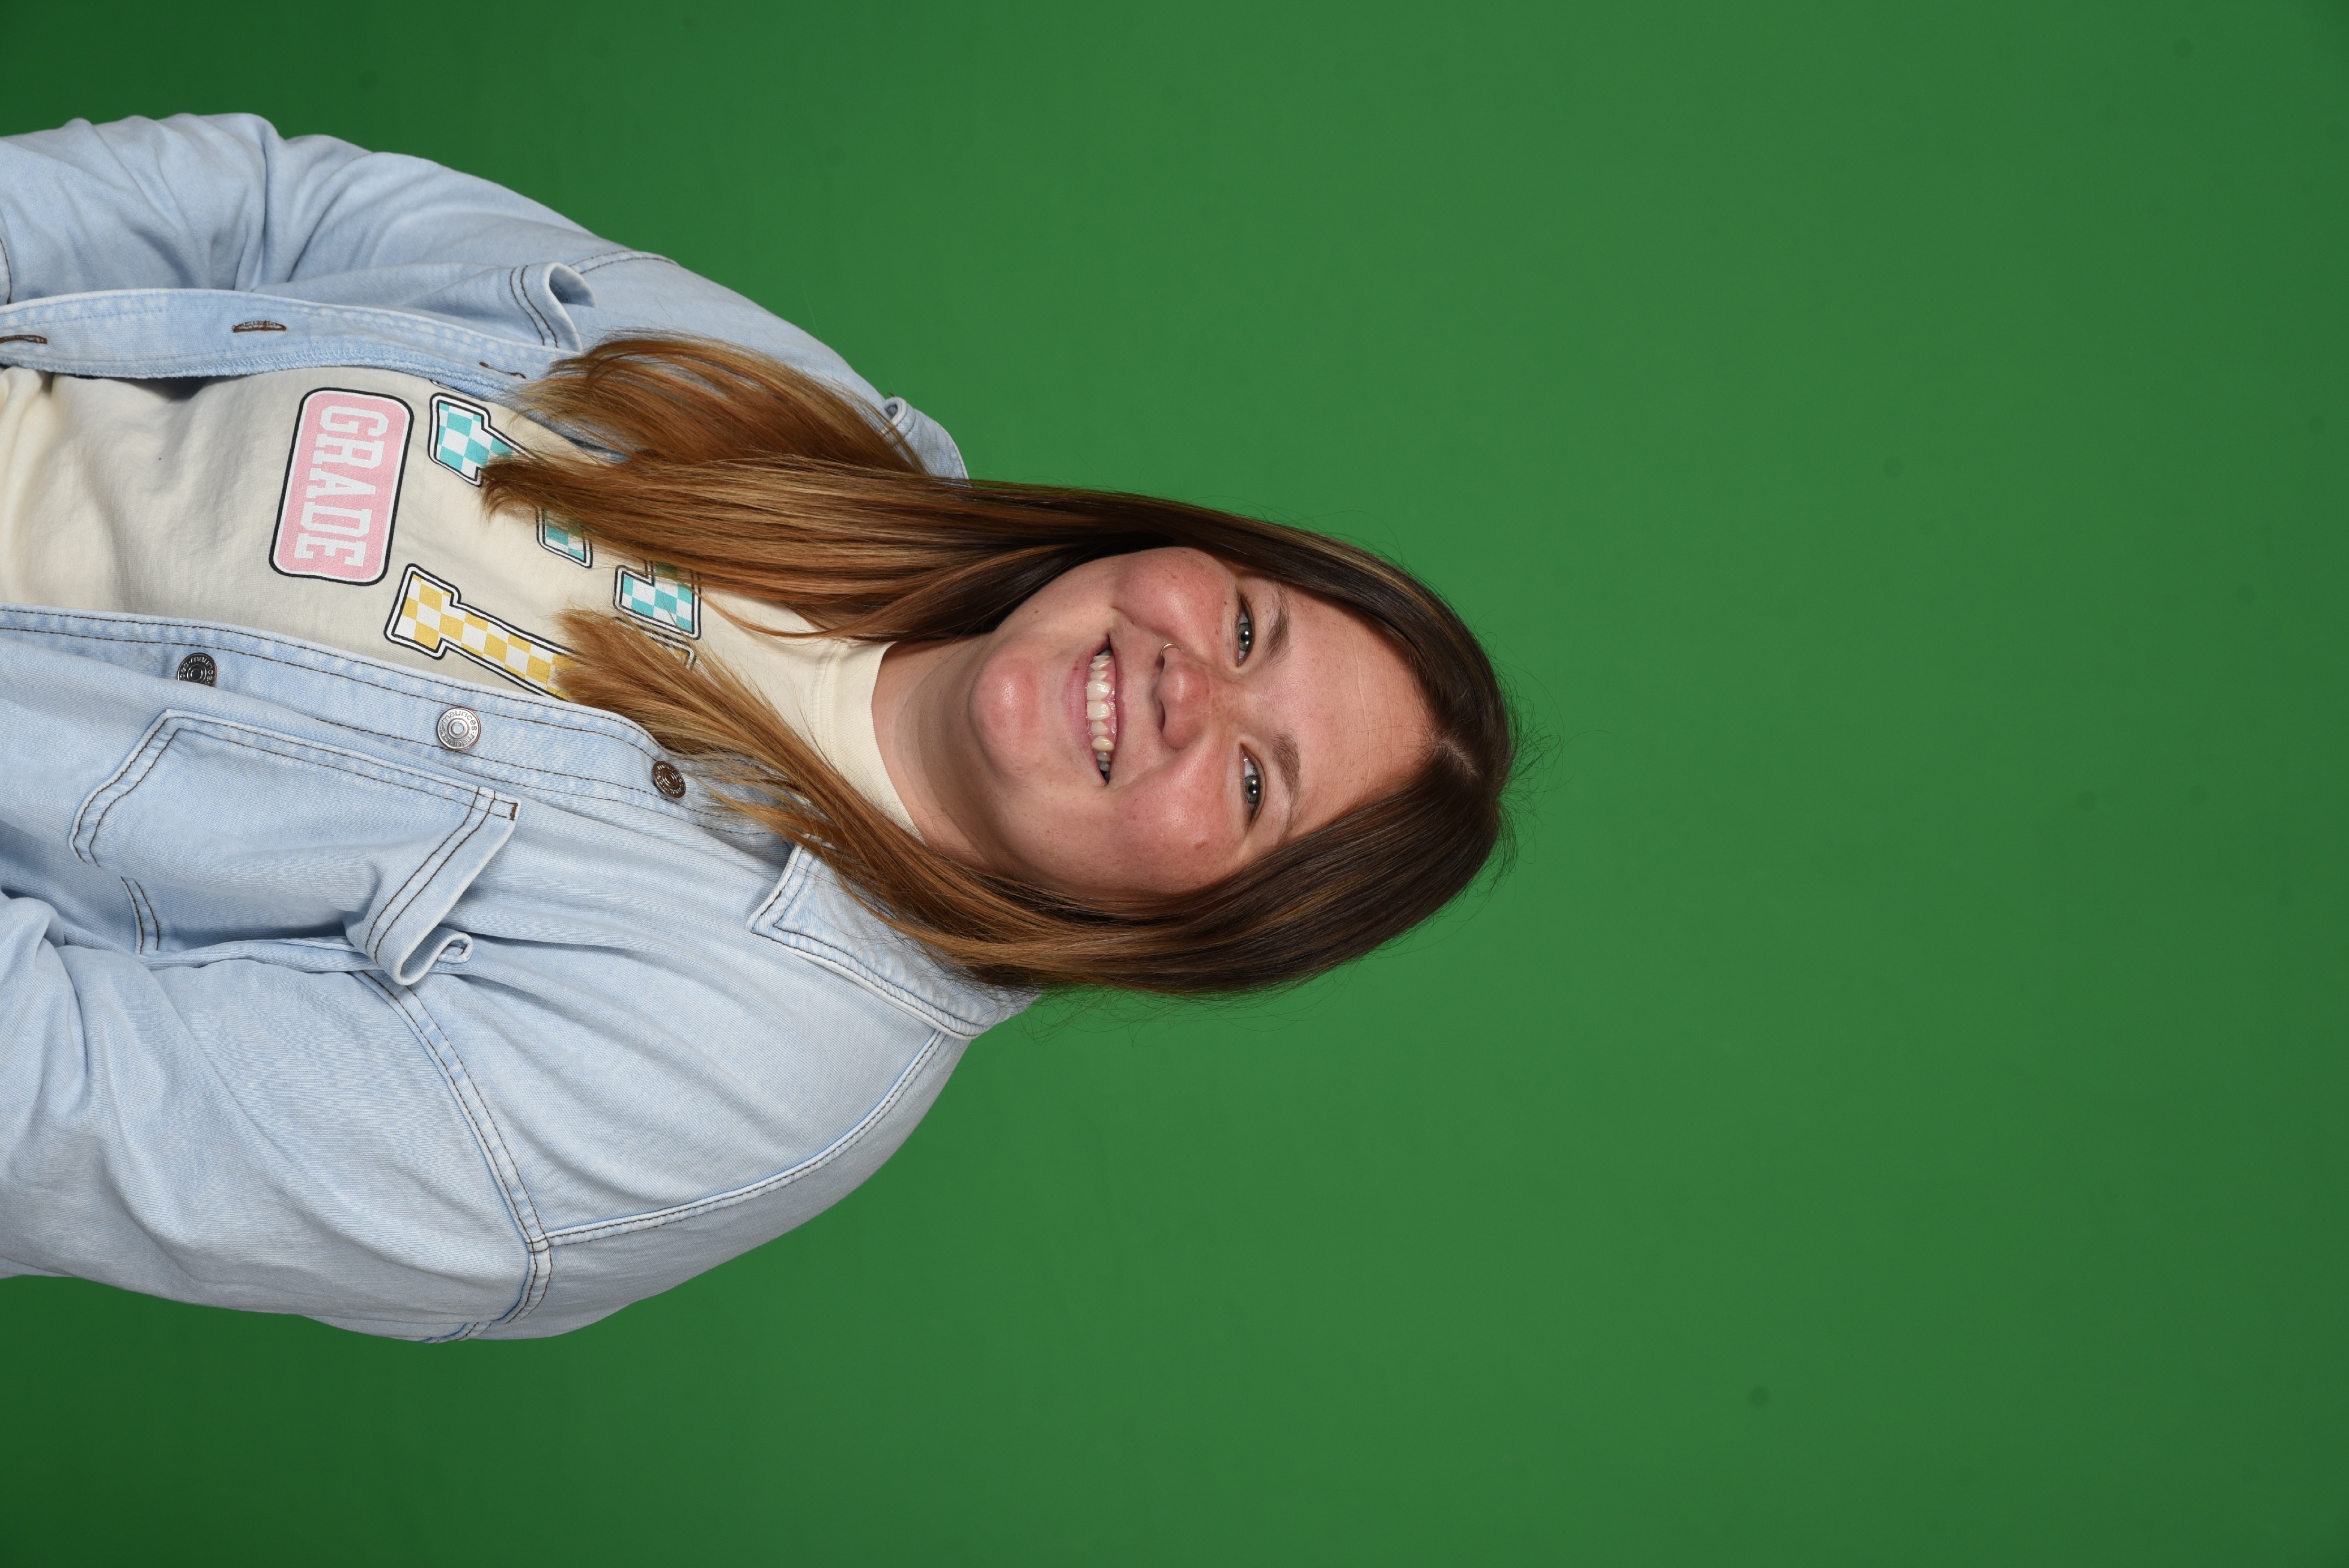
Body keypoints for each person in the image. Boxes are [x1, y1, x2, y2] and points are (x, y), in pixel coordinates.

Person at [0, 114, 1515, 1339]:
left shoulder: (739, 1081)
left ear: (1196, 929)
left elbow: (60, 1112)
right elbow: (287, 213)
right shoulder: (822, 427)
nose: (1195, 687)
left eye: (1254, 783)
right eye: (1248, 626)